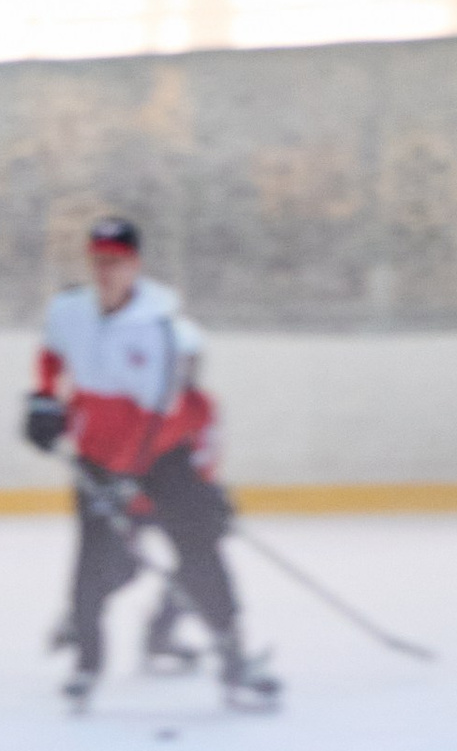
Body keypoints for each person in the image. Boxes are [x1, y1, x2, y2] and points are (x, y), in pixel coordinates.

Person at [24, 217, 278, 712]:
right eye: (98, 261)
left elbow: (155, 421)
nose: (105, 271)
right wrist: (44, 400)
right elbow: (52, 355)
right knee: (93, 562)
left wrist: (149, 482)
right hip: (98, 459)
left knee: (200, 552)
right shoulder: (69, 311)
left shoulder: (159, 330)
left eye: (115, 262)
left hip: (160, 459)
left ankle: (233, 657)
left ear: (134, 265)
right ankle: (86, 662)